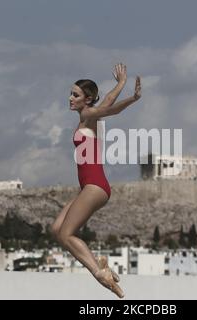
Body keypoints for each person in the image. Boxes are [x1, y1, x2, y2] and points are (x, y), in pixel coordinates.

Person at [50, 63, 141, 298]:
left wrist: (132, 98)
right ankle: (101, 268)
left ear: (87, 100)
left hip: (95, 187)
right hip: (89, 188)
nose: (70, 98)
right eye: (71, 93)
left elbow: (112, 110)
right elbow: (108, 102)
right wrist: (120, 84)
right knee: (57, 229)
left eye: (75, 95)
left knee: (67, 234)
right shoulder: (88, 118)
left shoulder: (88, 115)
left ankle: (99, 273)